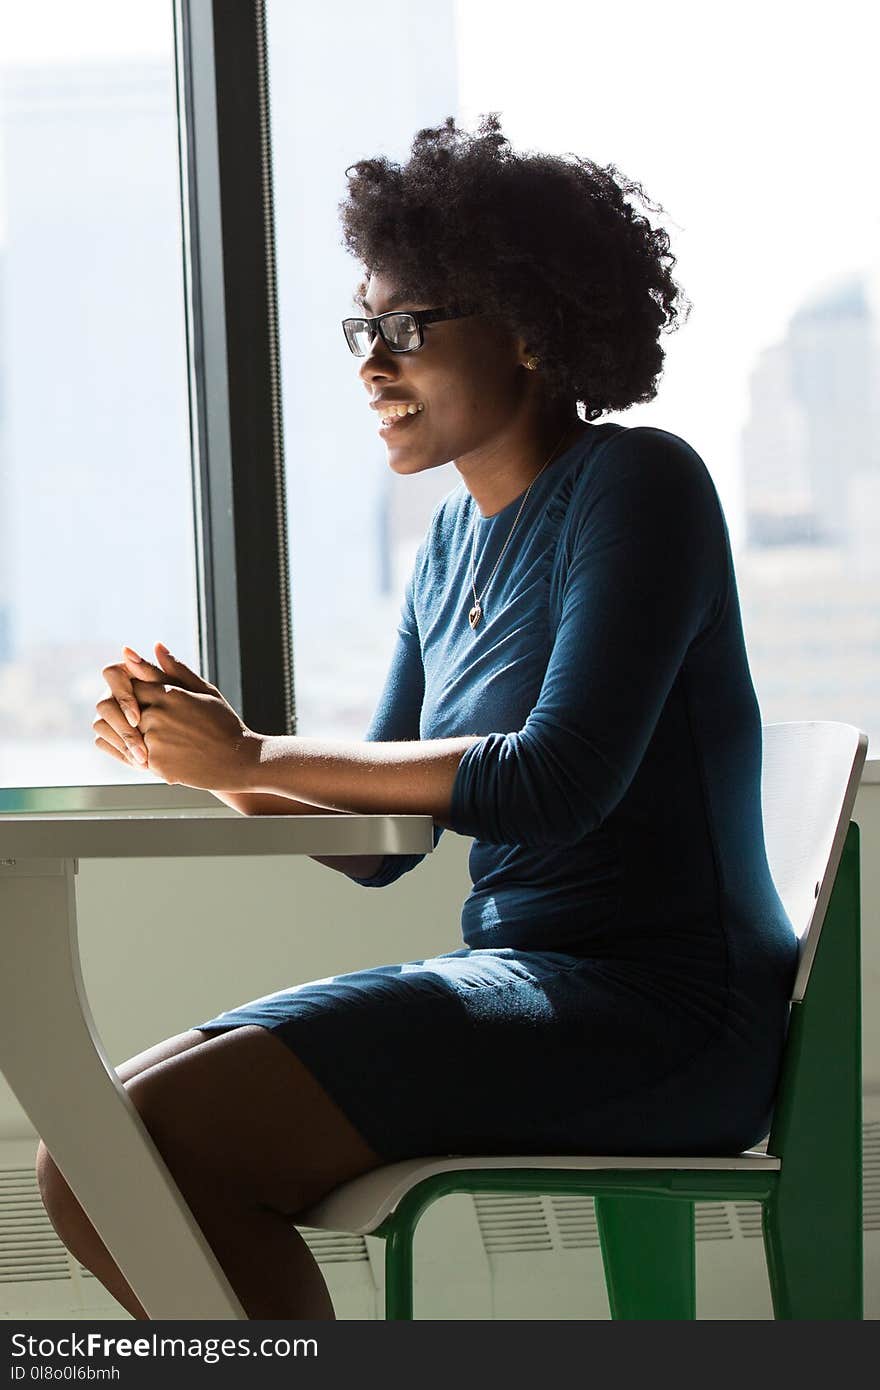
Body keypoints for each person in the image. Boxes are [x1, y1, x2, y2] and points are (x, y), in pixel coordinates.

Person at [35, 114, 798, 1321]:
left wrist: (256, 751)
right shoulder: (446, 546)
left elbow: (559, 780)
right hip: (525, 979)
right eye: (364, 329)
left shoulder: (639, 485)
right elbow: (370, 850)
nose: (370, 364)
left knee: (148, 1147)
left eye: (406, 328)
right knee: (93, 1159)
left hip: (665, 1014)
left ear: (532, 327)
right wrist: (211, 760)